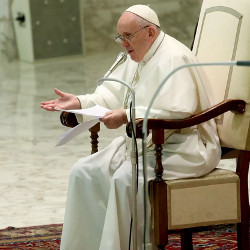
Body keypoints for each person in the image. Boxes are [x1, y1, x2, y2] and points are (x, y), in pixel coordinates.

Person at [41, 4, 221, 250]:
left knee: (126, 179)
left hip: (186, 144)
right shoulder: (137, 55)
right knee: (84, 171)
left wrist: (127, 115)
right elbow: (111, 93)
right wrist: (80, 102)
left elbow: (177, 112)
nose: (123, 44)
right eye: (120, 37)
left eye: (128, 36)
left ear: (150, 32)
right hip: (144, 143)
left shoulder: (174, 58)